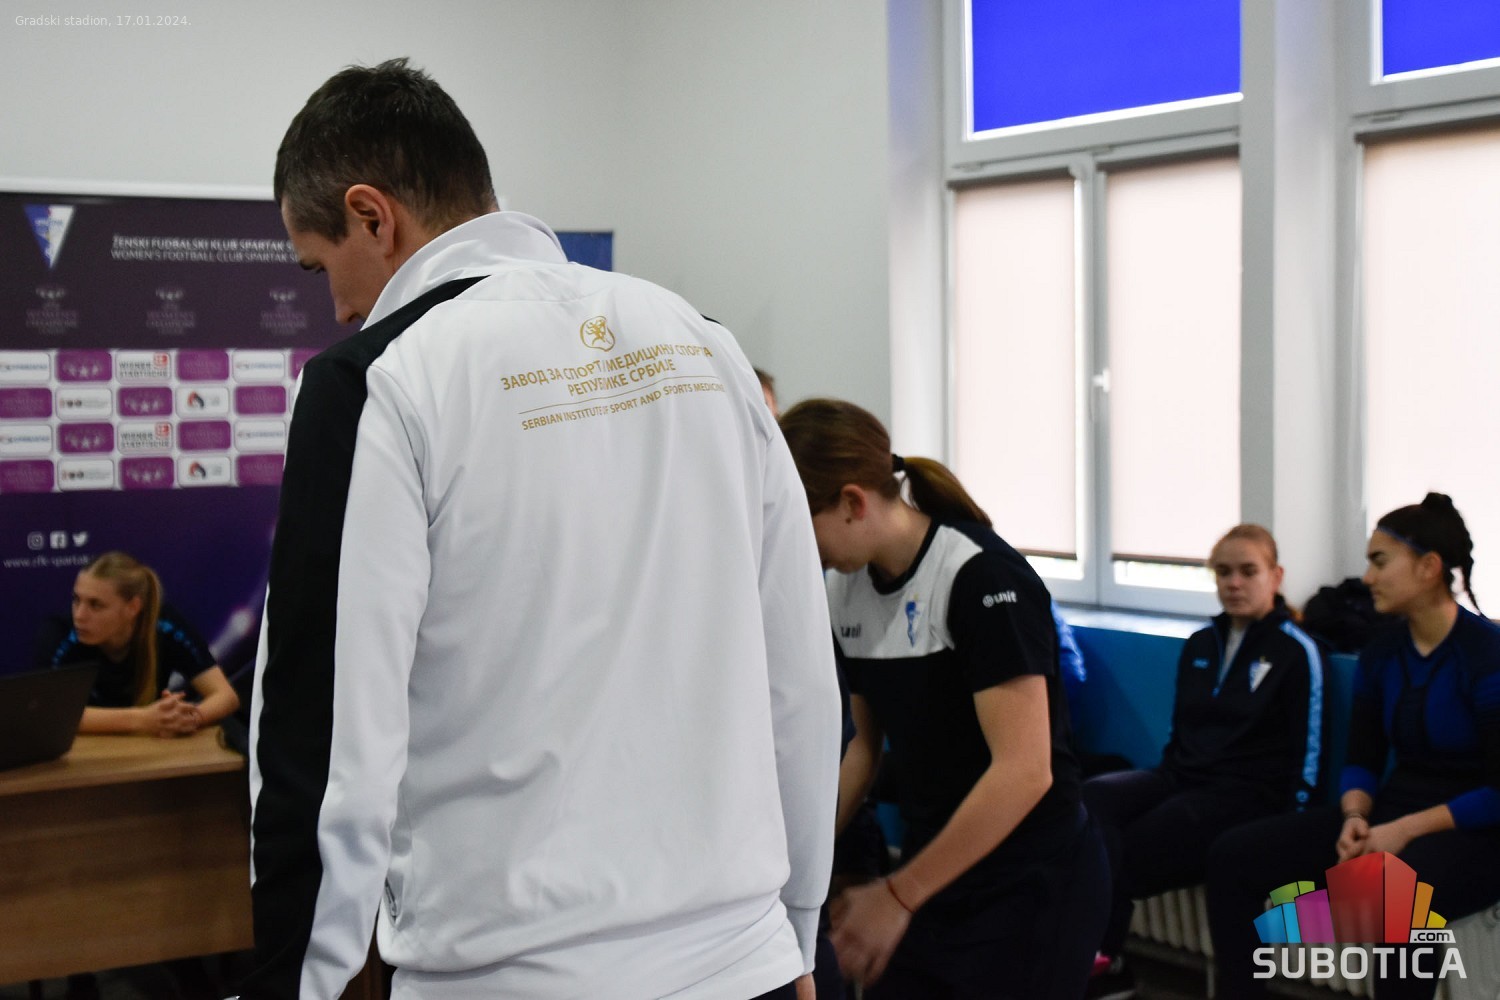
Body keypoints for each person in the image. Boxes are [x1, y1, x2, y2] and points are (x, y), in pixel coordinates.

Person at [238, 59, 839, 1000]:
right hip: (745, 963)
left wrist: (293, 986)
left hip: (511, 975)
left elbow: (326, 745)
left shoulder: (377, 381)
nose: (340, 306)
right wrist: (798, 935)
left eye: (320, 267)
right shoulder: (703, 340)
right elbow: (797, 680)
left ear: (372, 216)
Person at [778, 397, 1108, 1000]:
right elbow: (860, 752)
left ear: (852, 502)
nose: (798, 548)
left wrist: (898, 895)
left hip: (1032, 879)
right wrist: (795, 867)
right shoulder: (842, 588)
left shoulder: (981, 576)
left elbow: (1025, 771)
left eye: (802, 524)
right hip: (937, 869)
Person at [1206, 493, 1500, 1000]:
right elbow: (1362, 758)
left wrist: (1400, 832)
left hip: (1476, 832)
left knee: (1398, 892)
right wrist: (1354, 818)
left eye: (1380, 562)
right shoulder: (1381, 651)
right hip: (1389, 815)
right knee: (1233, 856)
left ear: (1428, 567)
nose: (1367, 578)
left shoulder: (1486, 652)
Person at [1082, 525, 1325, 999]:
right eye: (1223, 572)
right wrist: (1160, 781)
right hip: (1179, 776)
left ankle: (1106, 963)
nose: (1234, 583)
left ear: (1275, 577)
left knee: (1132, 847)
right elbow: (1181, 734)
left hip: (1243, 795)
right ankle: (1101, 956)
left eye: (1248, 572)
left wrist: (1290, 825)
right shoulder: (1199, 644)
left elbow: (1309, 755)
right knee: (1091, 796)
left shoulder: (1296, 652)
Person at [33, 550, 239, 736]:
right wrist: (142, 719)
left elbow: (226, 696)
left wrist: (188, 719)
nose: (79, 615)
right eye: (76, 600)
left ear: (133, 607)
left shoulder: (164, 624)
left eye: (96, 605)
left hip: (149, 750)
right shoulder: (59, 632)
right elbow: (45, 713)